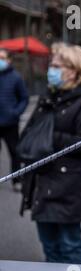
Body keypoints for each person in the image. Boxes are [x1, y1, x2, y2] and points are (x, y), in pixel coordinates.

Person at [20, 43, 81, 264]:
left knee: (69, 246)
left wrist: (52, 137)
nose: (50, 70)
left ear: (73, 70)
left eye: (56, 66)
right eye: (51, 65)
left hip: (66, 187)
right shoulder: (48, 98)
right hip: (41, 182)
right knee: (49, 246)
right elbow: (30, 132)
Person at [0, 48, 29, 192]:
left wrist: (15, 113)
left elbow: (24, 98)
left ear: (9, 60)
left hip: (10, 123)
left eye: (2, 57)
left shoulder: (16, 77)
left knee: (14, 152)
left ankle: (17, 180)